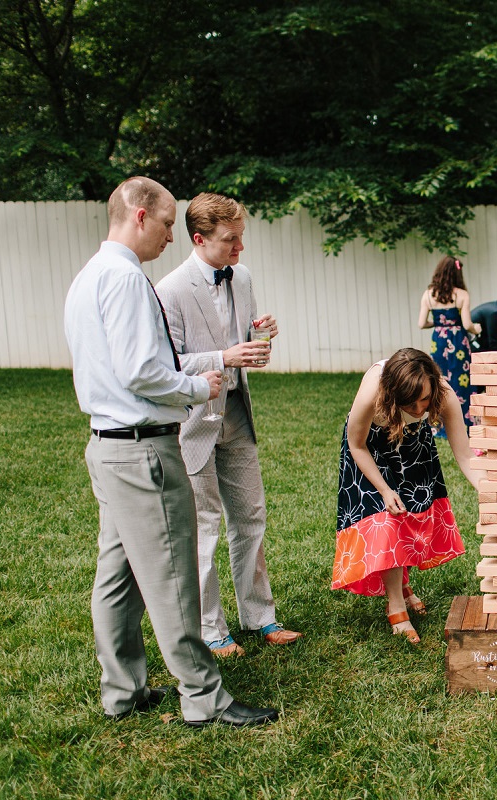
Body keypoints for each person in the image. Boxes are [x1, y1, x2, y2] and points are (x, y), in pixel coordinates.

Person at [63, 176, 277, 728]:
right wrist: (196, 387)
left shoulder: (88, 277)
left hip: (105, 445)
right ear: (139, 215)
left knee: (118, 577)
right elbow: (141, 371)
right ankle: (204, 697)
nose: (167, 236)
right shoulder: (130, 281)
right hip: (142, 451)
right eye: (163, 224)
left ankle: (124, 692)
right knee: (174, 576)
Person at [156, 192, 302, 658]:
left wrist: (261, 335)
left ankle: (260, 616)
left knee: (251, 518)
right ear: (199, 239)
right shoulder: (170, 289)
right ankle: (211, 628)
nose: (240, 249)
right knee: (204, 526)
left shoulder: (243, 277)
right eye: (230, 240)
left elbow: (244, 341)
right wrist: (223, 357)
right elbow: (168, 361)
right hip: (194, 420)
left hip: (236, 412)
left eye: (241, 238)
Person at [332, 348, 481, 643]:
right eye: (408, 403)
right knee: (387, 520)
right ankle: (396, 605)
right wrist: (384, 490)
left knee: (411, 515)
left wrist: (487, 490)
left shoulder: (444, 393)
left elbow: (464, 455)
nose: (417, 409)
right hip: (369, 448)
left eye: (424, 400)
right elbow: (356, 444)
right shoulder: (373, 391)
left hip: (412, 443)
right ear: (392, 394)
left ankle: (401, 586)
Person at [418, 256, 480, 433]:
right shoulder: (461, 295)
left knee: (439, 380)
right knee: (462, 380)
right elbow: (467, 324)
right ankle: (462, 422)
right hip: (457, 341)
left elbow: (422, 323)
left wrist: (438, 324)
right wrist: (476, 329)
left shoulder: (428, 295)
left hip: (439, 341)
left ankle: (439, 425)